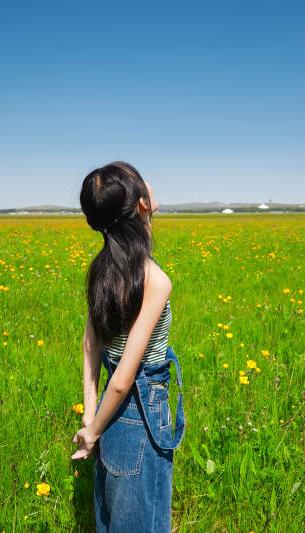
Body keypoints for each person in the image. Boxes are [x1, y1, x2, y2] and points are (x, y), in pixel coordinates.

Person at [71, 161, 185, 532]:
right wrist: (90, 432)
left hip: (108, 408)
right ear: (141, 207)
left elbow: (91, 347)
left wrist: (92, 417)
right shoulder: (154, 279)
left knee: (112, 518)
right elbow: (124, 378)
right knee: (142, 520)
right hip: (141, 411)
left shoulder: (101, 271)